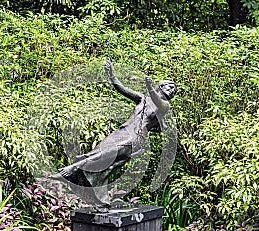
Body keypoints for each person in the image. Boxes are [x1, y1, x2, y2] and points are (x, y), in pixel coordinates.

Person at [50, 59, 177, 190]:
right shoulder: (143, 99)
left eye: (174, 91)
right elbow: (122, 88)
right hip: (123, 131)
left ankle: (72, 169)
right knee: (102, 154)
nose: (173, 91)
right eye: (171, 87)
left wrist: (150, 87)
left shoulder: (164, 106)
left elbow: (157, 101)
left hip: (136, 136)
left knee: (110, 152)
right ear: (161, 86)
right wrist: (111, 74)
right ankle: (93, 190)